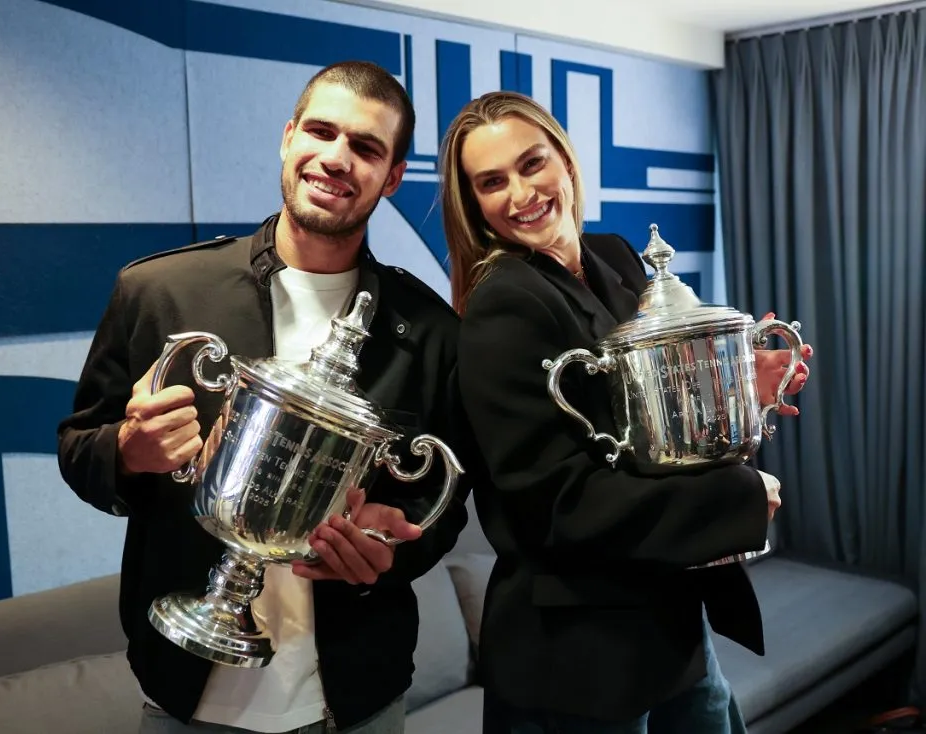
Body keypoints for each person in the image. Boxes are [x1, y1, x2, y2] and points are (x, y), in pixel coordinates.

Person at [57, 61, 480, 734]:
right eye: (321, 130)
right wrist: (127, 452)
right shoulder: (160, 291)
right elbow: (79, 449)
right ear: (288, 137)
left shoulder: (432, 334)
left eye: (367, 148)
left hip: (358, 697)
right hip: (185, 694)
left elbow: (445, 508)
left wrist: (388, 556)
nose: (336, 158)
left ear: (392, 177)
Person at [437, 90, 813, 733]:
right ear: (473, 204)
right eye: (491, 182)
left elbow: (651, 424)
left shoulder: (612, 257)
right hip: (576, 661)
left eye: (532, 164)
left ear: (565, 159)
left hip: (669, 619)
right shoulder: (505, 304)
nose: (521, 194)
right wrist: (739, 498)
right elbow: (560, 504)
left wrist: (732, 390)